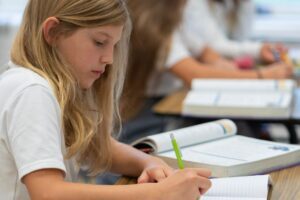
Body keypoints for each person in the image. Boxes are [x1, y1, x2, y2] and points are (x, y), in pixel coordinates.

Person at [0, 0, 212, 199]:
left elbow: (95, 147)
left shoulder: (54, 87)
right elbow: (48, 193)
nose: (109, 59)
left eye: (114, 45)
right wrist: (158, 193)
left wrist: (149, 162)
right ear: (53, 32)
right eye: (100, 42)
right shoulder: (31, 90)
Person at [121, 0, 293, 143]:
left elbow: (207, 52)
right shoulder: (149, 23)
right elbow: (193, 74)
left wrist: (225, 65)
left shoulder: (175, 15)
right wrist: (261, 76)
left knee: (238, 126)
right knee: (234, 129)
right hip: (149, 115)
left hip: (169, 105)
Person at [181, 0, 287, 64]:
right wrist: (258, 50)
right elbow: (214, 45)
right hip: (178, 84)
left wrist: (245, 4)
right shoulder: (193, 3)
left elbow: (241, 38)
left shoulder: (227, 3)